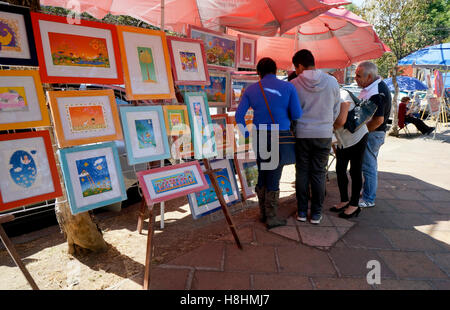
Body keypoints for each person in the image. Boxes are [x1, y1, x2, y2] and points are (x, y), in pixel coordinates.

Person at [236, 57, 302, 229]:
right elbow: (296, 114)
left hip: (259, 136)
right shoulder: (288, 87)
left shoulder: (251, 89)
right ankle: (271, 217)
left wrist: (246, 136)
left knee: (263, 172)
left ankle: (263, 213)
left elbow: (238, 116)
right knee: (274, 174)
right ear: (275, 71)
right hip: (279, 136)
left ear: (259, 72)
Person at [290, 49, 341, 224]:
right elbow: (336, 109)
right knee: (319, 173)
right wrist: (327, 124)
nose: (295, 71)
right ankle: (317, 213)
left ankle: (302, 212)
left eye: (296, 67)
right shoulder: (332, 82)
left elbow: (292, 112)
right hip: (324, 134)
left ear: (301, 65)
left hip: (302, 134)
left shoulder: (294, 84)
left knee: (302, 172)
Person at [355, 62, 391, 209]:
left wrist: (362, 132)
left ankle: (369, 198)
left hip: (373, 134)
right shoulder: (371, 88)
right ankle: (367, 192)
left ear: (369, 76)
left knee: (369, 167)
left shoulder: (377, 91)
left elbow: (378, 120)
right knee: (367, 166)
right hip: (372, 133)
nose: (355, 78)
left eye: (358, 76)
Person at [331, 89, 369, 218]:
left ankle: (354, 205)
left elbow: (341, 121)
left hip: (357, 137)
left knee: (355, 170)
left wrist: (324, 127)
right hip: (342, 141)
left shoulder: (343, 94)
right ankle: (344, 200)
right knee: (340, 169)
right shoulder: (326, 97)